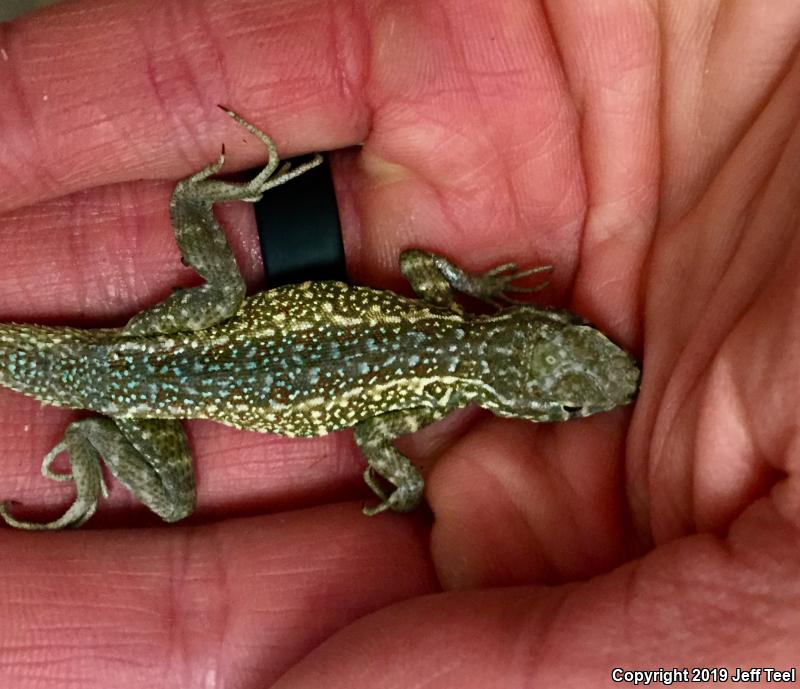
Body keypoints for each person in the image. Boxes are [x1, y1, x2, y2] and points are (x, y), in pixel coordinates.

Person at [0, 1, 797, 686]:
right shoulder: (436, 393)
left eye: (573, 380)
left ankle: (192, 206)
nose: (603, 379)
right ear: (523, 389)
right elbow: (374, 434)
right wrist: (407, 488)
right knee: (173, 499)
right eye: (571, 385)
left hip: (171, 346)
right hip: (154, 385)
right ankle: (92, 431)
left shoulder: (444, 314)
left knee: (222, 300)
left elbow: (417, 265)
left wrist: (476, 289)